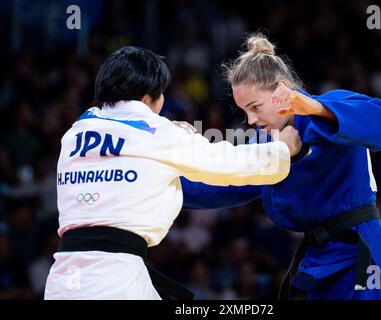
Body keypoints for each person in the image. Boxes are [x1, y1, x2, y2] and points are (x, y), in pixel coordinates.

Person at [44, 46, 301, 300]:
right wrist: (281, 150)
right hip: (116, 282)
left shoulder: (74, 134)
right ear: (148, 97)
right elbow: (227, 164)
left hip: (63, 279)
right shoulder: (156, 131)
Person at [181, 34, 381, 300]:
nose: (251, 120)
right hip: (318, 262)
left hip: (361, 252)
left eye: (255, 107)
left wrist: (316, 108)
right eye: (245, 111)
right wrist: (154, 176)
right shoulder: (265, 144)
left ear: (281, 91)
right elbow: (222, 183)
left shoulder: (330, 108)